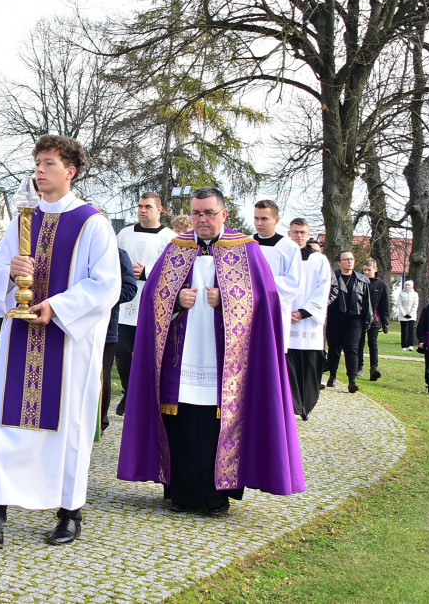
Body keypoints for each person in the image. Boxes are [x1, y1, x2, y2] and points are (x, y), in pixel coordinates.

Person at [0, 134, 119, 549]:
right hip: (21, 341)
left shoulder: (93, 223)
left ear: (70, 171)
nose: (39, 171)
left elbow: (106, 285)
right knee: (8, 424)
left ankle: (69, 512)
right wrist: (11, 271)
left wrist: (57, 307)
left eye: (49, 164)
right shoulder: (23, 220)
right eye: (37, 163)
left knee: (68, 428)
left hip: (68, 346)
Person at [117, 186, 304, 515]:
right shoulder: (177, 247)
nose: (202, 219)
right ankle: (179, 493)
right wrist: (175, 300)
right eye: (196, 213)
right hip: (181, 357)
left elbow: (267, 300)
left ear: (224, 214)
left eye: (209, 213)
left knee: (218, 426)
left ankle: (216, 497)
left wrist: (228, 301)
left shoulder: (246, 249)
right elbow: (152, 295)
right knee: (181, 423)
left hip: (225, 361)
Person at [115, 193, 180, 417]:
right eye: (140, 206)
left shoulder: (169, 238)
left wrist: (147, 272)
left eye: (148, 207)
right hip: (126, 301)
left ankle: (148, 394)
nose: (143, 210)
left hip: (153, 301)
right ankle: (128, 391)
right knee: (122, 349)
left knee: (148, 351)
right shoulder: (124, 234)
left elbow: (174, 272)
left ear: (159, 210)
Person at [285, 218, 332, 420]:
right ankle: (293, 405)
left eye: (302, 232)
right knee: (289, 365)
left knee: (310, 366)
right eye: (295, 232)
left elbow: (324, 288)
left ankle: (307, 405)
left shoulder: (319, 260)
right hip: (286, 318)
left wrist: (304, 312)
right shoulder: (283, 256)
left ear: (308, 233)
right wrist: (286, 311)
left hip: (310, 322)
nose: (299, 236)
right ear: (289, 233)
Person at [252, 200, 302, 351]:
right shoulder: (246, 243)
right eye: (256, 218)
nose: (259, 223)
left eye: (264, 219)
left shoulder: (289, 247)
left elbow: (293, 282)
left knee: (270, 351)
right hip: (248, 308)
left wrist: (260, 283)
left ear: (276, 220)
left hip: (274, 309)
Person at [100, 247, 138, 432]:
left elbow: (130, 289)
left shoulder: (118, 253)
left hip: (106, 327)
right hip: (74, 326)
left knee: (102, 376)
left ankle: (100, 421)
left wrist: (101, 299)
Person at [326, 251, 373, 392]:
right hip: (335, 316)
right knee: (334, 348)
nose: (349, 261)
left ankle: (352, 380)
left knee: (351, 348)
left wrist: (367, 321)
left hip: (354, 318)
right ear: (339, 262)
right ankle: (332, 376)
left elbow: (367, 302)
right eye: (346, 259)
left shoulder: (362, 279)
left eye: (351, 259)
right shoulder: (332, 277)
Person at [358, 258, 390, 381]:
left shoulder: (381, 285)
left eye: (369, 270)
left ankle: (374, 367)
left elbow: (384, 305)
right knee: (359, 343)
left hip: (374, 319)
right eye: (364, 270)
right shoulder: (360, 282)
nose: (366, 272)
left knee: (373, 343)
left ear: (375, 269)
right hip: (360, 318)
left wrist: (385, 323)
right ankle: (359, 366)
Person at [395, 280, 420, 350]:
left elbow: (415, 305)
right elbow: (399, 304)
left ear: (411, 286)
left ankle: (410, 345)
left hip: (412, 315)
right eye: (406, 285)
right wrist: (404, 314)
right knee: (403, 331)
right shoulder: (401, 294)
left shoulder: (415, 294)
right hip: (403, 315)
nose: (407, 286)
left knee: (410, 330)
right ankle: (403, 346)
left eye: (408, 285)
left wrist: (411, 314)